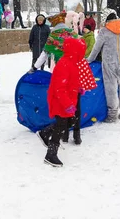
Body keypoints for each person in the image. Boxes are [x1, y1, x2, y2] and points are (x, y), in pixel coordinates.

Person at [37, 38, 96, 167]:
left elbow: (71, 81)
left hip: (68, 99)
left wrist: (78, 88)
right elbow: (59, 88)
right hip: (60, 101)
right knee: (61, 126)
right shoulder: (64, 64)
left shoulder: (72, 62)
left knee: (70, 121)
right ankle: (51, 154)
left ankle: (45, 132)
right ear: (74, 51)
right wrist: (67, 104)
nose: (81, 55)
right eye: (80, 52)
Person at [87, 12, 120, 122]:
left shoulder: (104, 32)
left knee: (111, 88)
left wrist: (89, 60)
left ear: (107, 22)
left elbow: (96, 48)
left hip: (110, 62)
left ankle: (112, 115)